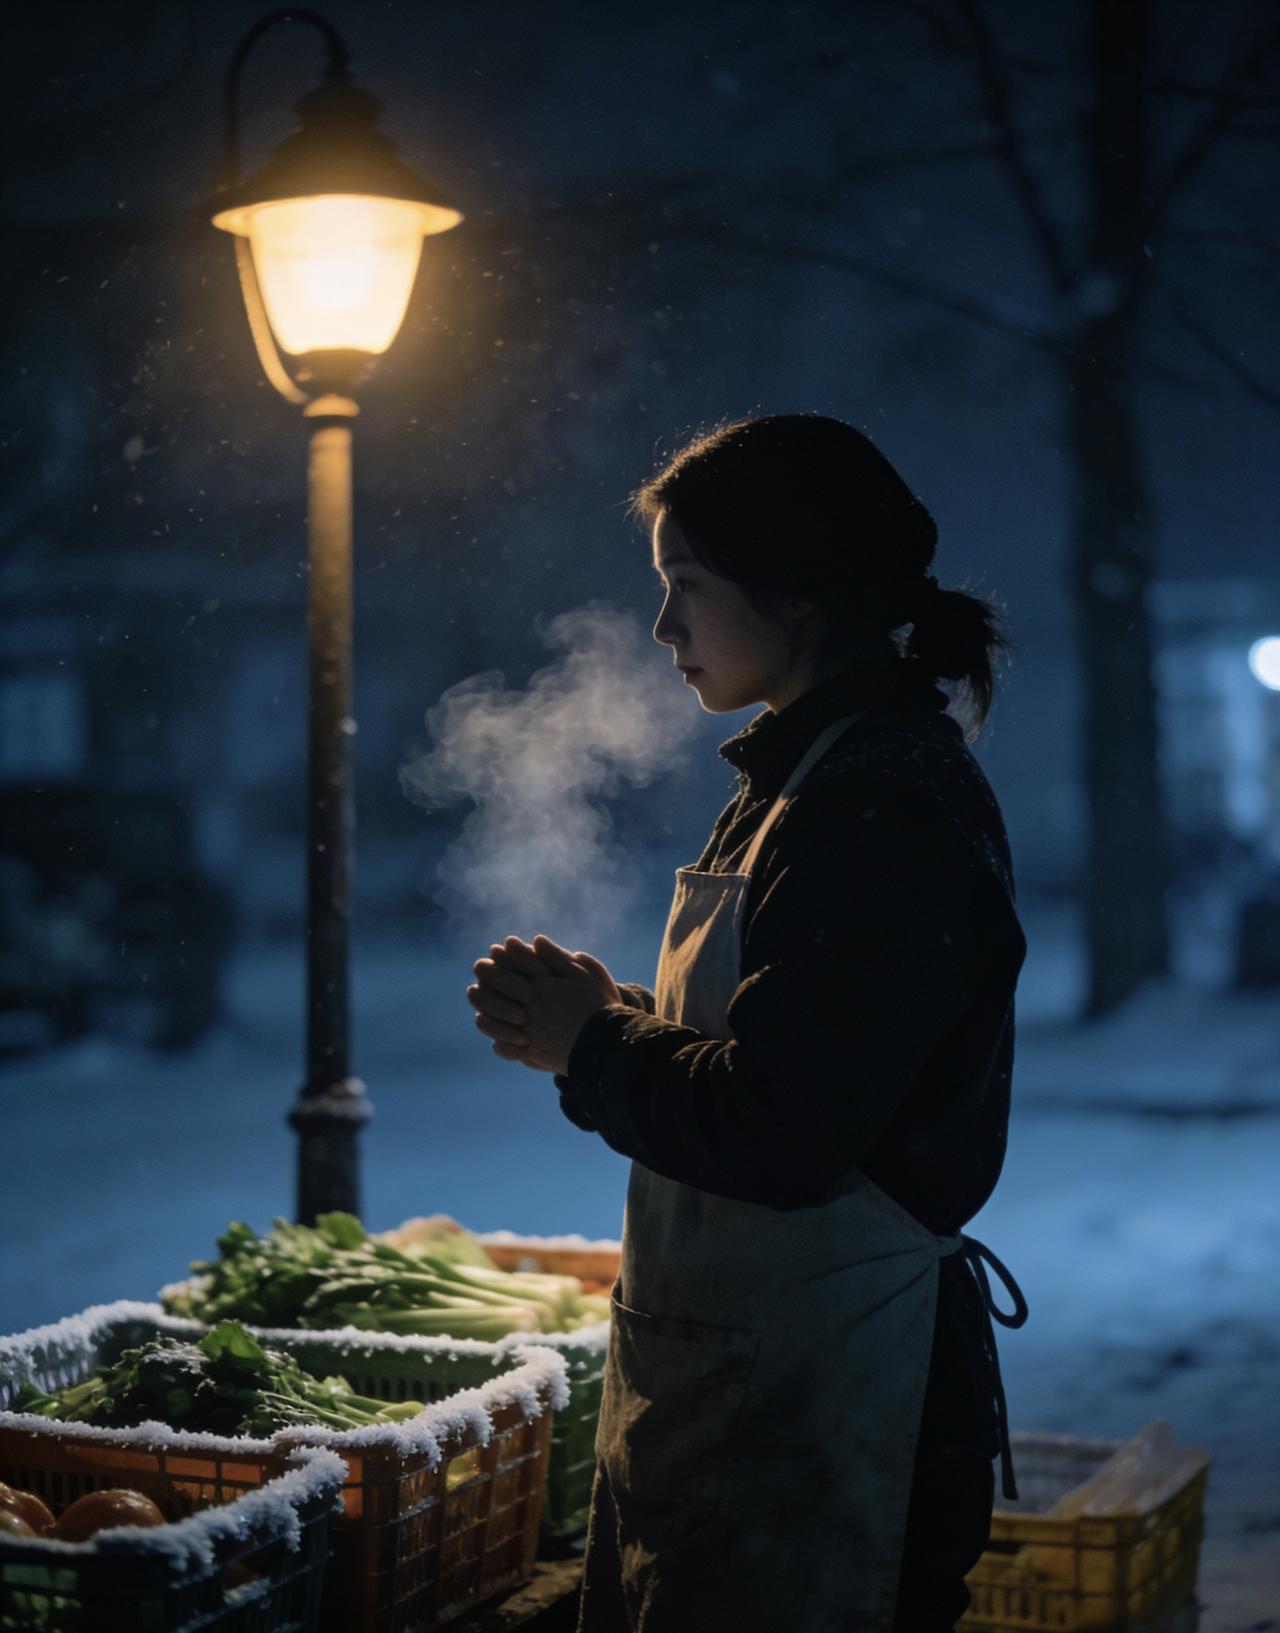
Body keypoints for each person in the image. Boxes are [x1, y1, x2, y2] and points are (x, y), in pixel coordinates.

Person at [466, 413, 1028, 1633]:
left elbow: (781, 1125)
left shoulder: (878, 800)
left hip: (835, 1402)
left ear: (796, 591)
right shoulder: (799, 779)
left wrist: (593, 1045)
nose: (662, 627)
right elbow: (779, 1056)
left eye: (686, 587)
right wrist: (601, 1021)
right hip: (751, 1379)